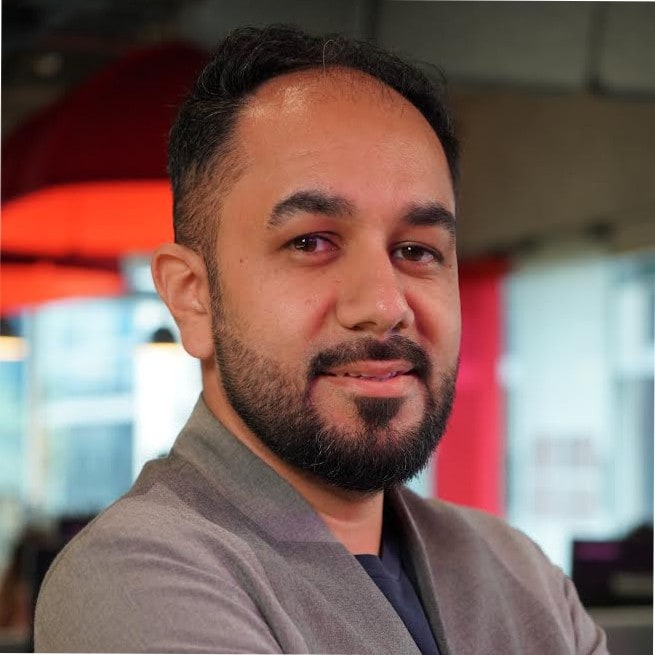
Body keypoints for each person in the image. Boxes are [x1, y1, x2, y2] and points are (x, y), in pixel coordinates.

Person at [35, 25, 607, 654]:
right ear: (192, 296)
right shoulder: (135, 580)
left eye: (417, 250)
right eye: (310, 243)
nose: (384, 306)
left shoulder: (521, 574)